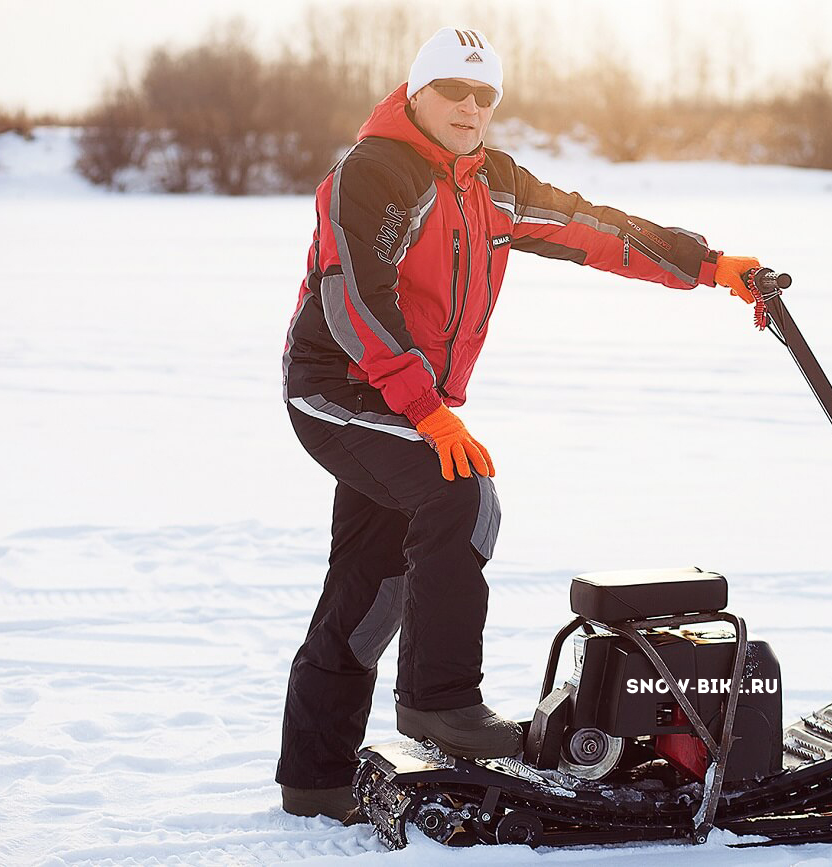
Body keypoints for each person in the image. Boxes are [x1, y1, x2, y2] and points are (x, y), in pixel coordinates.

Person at [277, 26, 765, 822]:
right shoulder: (375, 173)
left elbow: (592, 228)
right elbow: (356, 301)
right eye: (453, 91)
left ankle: (315, 777)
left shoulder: (491, 182)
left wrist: (710, 267)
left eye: (485, 95)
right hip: (338, 386)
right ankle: (438, 701)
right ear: (417, 92)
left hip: (406, 398)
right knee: (460, 494)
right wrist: (429, 413)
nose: (470, 107)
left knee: (371, 582)